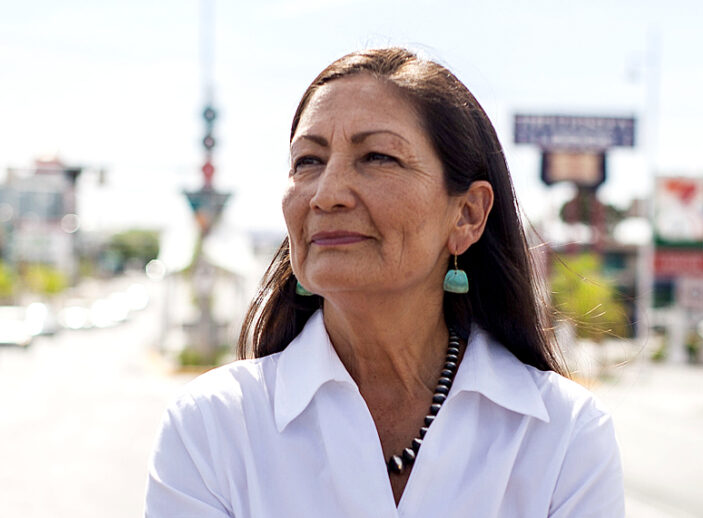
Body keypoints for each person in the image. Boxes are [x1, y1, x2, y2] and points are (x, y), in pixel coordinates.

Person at [145, 48, 624, 517]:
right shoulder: (211, 428)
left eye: (377, 157)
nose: (326, 194)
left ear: (468, 214)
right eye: (308, 161)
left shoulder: (564, 436)